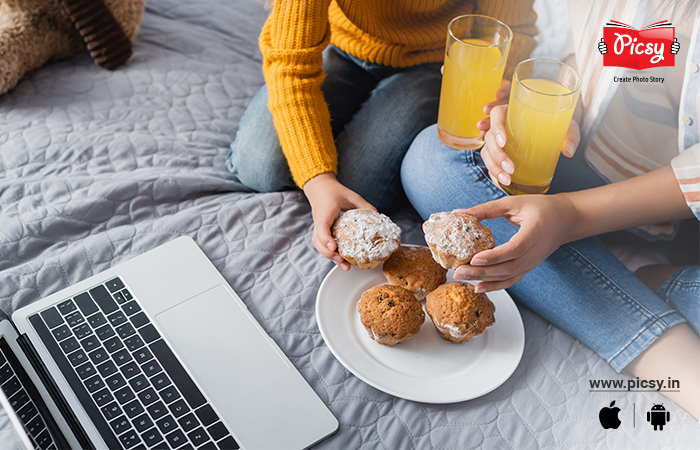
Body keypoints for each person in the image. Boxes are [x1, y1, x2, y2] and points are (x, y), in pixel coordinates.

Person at [401, 0, 700, 418]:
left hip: (685, 219)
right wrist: (552, 109)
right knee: (435, 159)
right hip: (601, 170)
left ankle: (649, 290)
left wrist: (573, 215)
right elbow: (606, 48)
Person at [226, 0, 538, 270]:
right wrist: (317, 180)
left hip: (434, 62)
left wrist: (500, 80)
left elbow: (510, 29)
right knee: (259, 166)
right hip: (338, 43)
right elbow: (290, 64)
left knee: (357, 190)